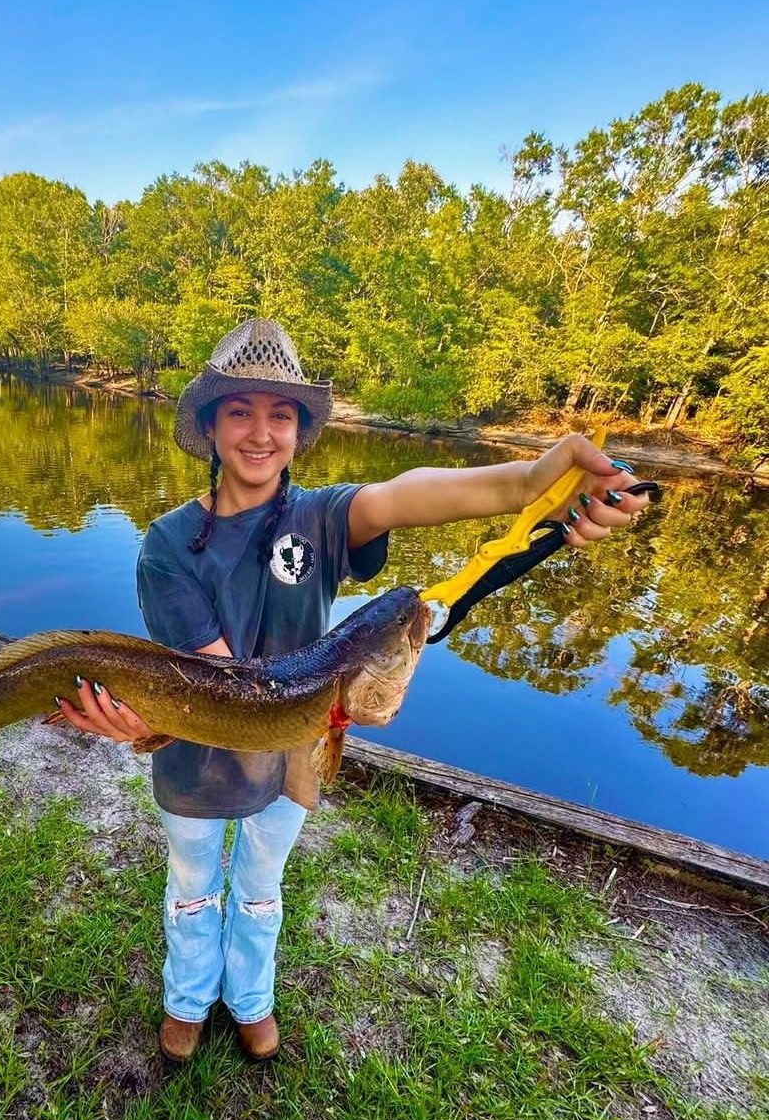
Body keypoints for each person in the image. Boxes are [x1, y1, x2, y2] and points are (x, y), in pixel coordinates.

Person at [53, 318, 651, 1064]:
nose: (260, 433)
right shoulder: (168, 545)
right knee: (193, 885)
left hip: (295, 754)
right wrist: (141, 720)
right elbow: (227, 687)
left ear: (300, 433)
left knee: (261, 885)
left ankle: (250, 998)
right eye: (239, 411)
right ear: (208, 426)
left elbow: (407, 494)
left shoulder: (325, 517)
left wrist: (534, 483)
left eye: (281, 414)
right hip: (197, 760)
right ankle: (187, 999)